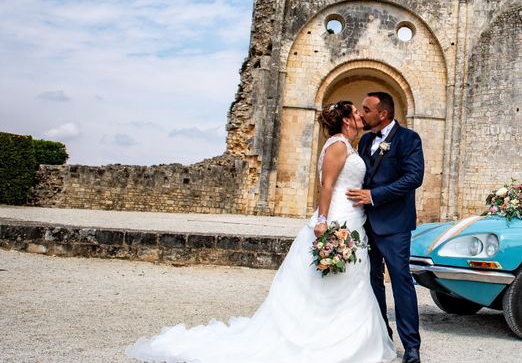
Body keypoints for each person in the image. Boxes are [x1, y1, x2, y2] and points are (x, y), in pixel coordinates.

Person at [125, 101, 395, 363]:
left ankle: (349, 338)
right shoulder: (338, 145)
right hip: (337, 217)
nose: (361, 115)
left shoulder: (349, 145)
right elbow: (326, 186)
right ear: (346, 119)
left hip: (353, 218)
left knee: (352, 280)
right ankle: (320, 338)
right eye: (356, 112)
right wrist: (322, 220)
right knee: (332, 279)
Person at [347, 92, 424, 363]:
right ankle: (383, 337)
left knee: (401, 282)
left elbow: (414, 177)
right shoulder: (366, 140)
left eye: (366, 110)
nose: (362, 114)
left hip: (394, 225)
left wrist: (374, 196)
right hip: (365, 224)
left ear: (383, 114)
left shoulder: (409, 139)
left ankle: (411, 346)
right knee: (372, 282)